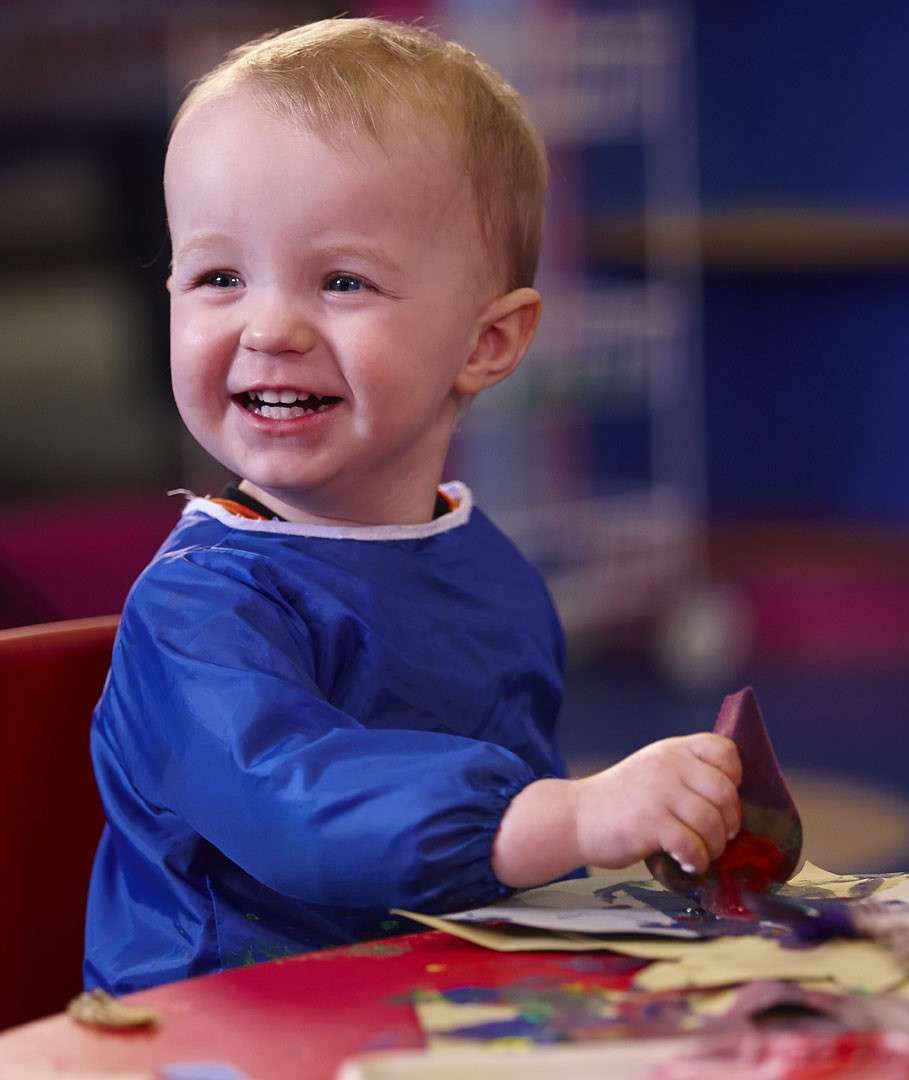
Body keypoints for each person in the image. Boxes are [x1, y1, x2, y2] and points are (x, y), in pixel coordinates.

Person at [84, 16, 743, 994]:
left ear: (487, 344)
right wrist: (564, 820)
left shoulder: (484, 565)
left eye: (342, 281)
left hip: (437, 1001)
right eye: (220, 277)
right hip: (222, 1019)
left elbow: (498, 852)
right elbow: (295, 803)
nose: (268, 326)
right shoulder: (195, 610)